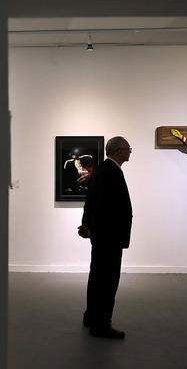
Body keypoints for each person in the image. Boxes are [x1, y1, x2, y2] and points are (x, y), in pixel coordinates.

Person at [78, 136, 132, 339]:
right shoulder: (110, 172)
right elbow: (99, 205)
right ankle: (101, 325)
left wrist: (87, 224)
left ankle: (91, 317)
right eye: (128, 149)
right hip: (109, 237)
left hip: (102, 236)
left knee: (97, 278)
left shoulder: (102, 170)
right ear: (118, 151)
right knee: (108, 281)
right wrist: (92, 226)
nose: (129, 152)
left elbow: (90, 201)